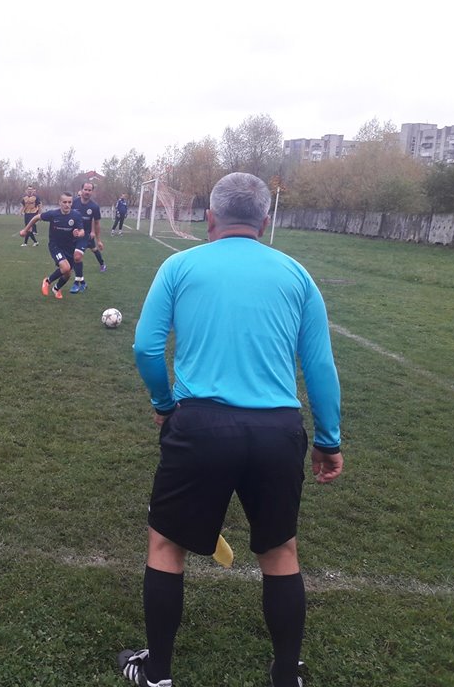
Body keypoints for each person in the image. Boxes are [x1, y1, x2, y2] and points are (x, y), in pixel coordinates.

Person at [120, 172, 343, 687]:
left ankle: (158, 673)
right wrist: (328, 440)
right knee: (280, 552)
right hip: (277, 432)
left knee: (166, 546)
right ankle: (285, 676)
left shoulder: (180, 265)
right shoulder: (297, 275)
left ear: (209, 218)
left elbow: (146, 348)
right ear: (265, 222)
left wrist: (164, 404)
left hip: (199, 426)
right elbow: (320, 366)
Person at [19, 192, 85, 299]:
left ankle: (56, 288)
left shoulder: (76, 215)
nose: (67, 205)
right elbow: (36, 217)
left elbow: (82, 231)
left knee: (68, 274)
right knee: (66, 267)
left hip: (70, 247)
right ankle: (47, 281)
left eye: (69, 202)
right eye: (64, 202)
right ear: (60, 202)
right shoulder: (53, 214)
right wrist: (26, 230)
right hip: (55, 246)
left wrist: (78, 233)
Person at [70, 181, 106, 293]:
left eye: (89, 190)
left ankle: (76, 283)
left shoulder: (94, 207)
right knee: (72, 260)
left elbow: (96, 223)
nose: (87, 192)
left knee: (78, 257)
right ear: (81, 190)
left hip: (85, 235)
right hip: (72, 235)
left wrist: (98, 239)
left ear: (92, 192)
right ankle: (83, 283)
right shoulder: (73, 203)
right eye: (85, 189)